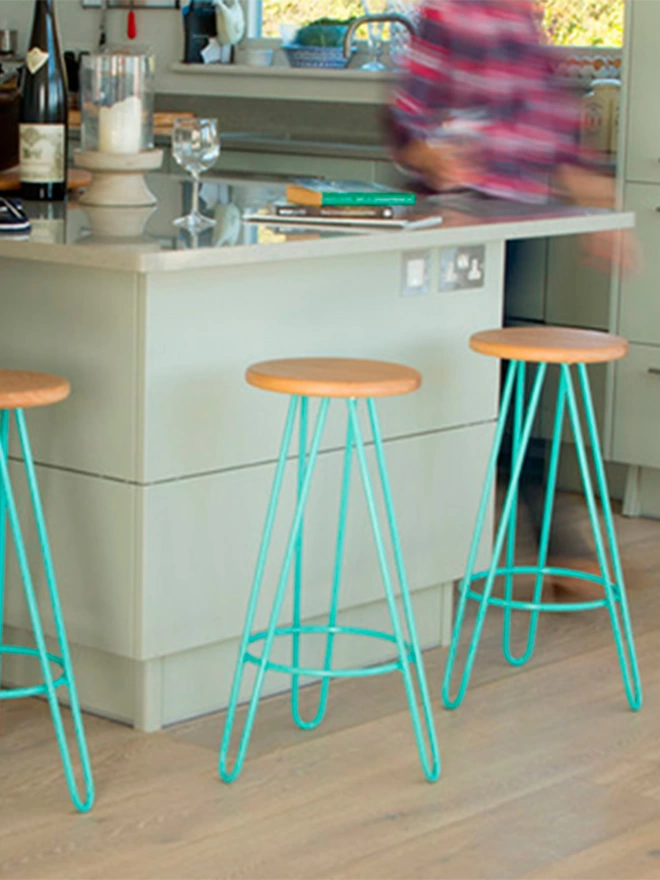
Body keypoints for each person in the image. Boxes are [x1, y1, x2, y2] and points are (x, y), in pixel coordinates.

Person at [385, 0, 637, 596]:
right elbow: (409, 123)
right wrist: (435, 163)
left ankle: (537, 537)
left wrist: (600, 206)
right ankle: (541, 537)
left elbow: (550, 122)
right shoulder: (453, 17)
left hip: (508, 222)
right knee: (493, 383)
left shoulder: (518, 20)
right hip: (461, 220)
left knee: (497, 380)